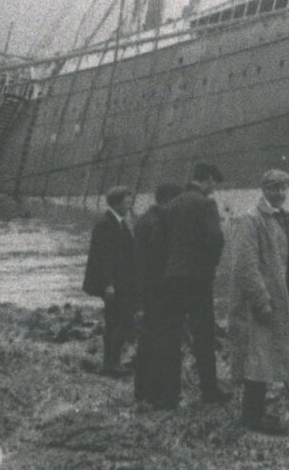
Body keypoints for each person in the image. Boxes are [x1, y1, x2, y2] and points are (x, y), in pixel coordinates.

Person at [228, 168, 289, 433]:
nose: (280, 193)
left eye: (283, 188)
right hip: (261, 302)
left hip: (280, 298)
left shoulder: (282, 218)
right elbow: (245, 265)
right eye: (274, 188)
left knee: (265, 354)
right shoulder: (252, 220)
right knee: (257, 356)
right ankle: (252, 416)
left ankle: (256, 411)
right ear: (263, 190)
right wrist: (261, 300)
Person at [150, 165, 228, 408]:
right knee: (204, 335)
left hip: (172, 279)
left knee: (171, 335)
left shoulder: (169, 206)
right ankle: (209, 390)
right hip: (198, 280)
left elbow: (161, 242)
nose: (214, 188)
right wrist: (209, 268)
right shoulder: (206, 204)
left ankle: (170, 395)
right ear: (206, 180)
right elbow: (217, 240)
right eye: (214, 183)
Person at [130, 182, 181, 406]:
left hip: (149, 291)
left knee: (148, 340)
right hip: (161, 292)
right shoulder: (157, 224)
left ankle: (142, 391)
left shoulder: (146, 220)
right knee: (164, 342)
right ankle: (160, 395)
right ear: (169, 200)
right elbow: (162, 261)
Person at [81, 185, 139, 375]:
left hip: (121, 282)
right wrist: (107, 284)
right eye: (126, 201)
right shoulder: (106, 224)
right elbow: (101, 258)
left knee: (115, 321)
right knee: (119, 321)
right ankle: (111, 363)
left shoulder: (119, 222)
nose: (130, 205)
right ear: (116, 203)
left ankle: (111, 362)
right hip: (114, 284)